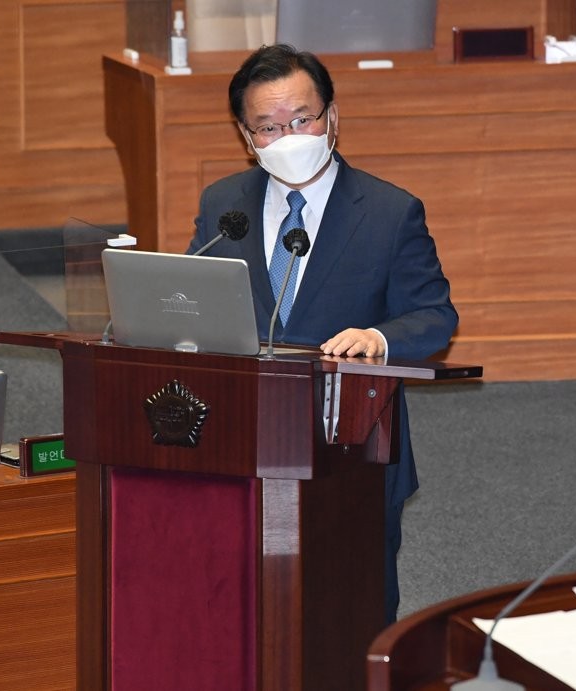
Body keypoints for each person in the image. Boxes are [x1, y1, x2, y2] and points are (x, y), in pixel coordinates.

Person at [187, 44, 458, 623]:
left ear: (332, 117)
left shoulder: (390, 212)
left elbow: (435, 315)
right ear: (245, 134)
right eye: (268, 126)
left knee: (351, 608)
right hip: (241, 437)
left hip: (351, 445)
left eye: (302, 119)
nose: (289, 136)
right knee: (237, 605)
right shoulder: (223, 205)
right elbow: (197, 298)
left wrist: (378, 339)